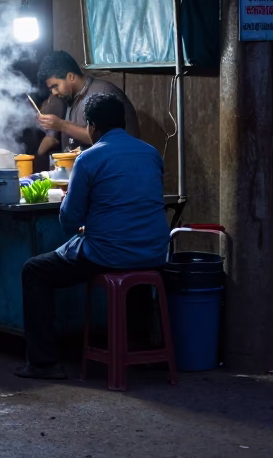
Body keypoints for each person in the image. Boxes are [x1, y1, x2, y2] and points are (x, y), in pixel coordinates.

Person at [17, 92, 170, 379]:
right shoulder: (151, 153)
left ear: (91, 126)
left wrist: (80, 215)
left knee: (34, 271)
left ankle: (43, 363)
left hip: (110, 254)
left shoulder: (88, 159)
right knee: (133, 263)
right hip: (154, 252)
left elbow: (70, 219)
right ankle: (139, 347)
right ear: (122, 123)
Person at [35, 51, 139, 156]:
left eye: (55, 86)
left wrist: (62, 125)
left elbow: (105, 138)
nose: (54, 92)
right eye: (51, 89)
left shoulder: (102, 93)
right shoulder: (69, 97)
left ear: (71, 76)